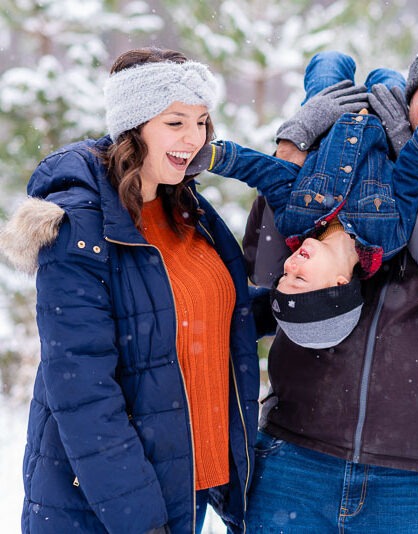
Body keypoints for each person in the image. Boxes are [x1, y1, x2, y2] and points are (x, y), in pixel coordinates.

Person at [242, 10, 418, 533]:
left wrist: (410, 160)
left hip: (416, 480)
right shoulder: (345, 168)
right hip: (296, 455)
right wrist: (296, 149)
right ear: (409, 91)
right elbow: (265, 264)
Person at [0, 47, 259, 534]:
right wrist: (142, 522)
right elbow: (84, 397)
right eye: (175, 122)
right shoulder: (79, 230)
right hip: (106, 510)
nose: (194, 138)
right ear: (134, 126)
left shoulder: (187, 211)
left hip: (187, 487)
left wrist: (294, 302)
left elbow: (204, 315)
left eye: (202, 122)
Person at [190, 51, 418, 349]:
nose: (289, 266)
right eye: (299, 279)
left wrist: (219, 157)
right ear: (340, 284)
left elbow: (270, 174)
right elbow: (409, 180)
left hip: (327, 117)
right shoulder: (389, 238)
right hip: (385, 121)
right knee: (387, 75)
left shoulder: (294, 222)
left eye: (284, 276)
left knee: (328, 60)